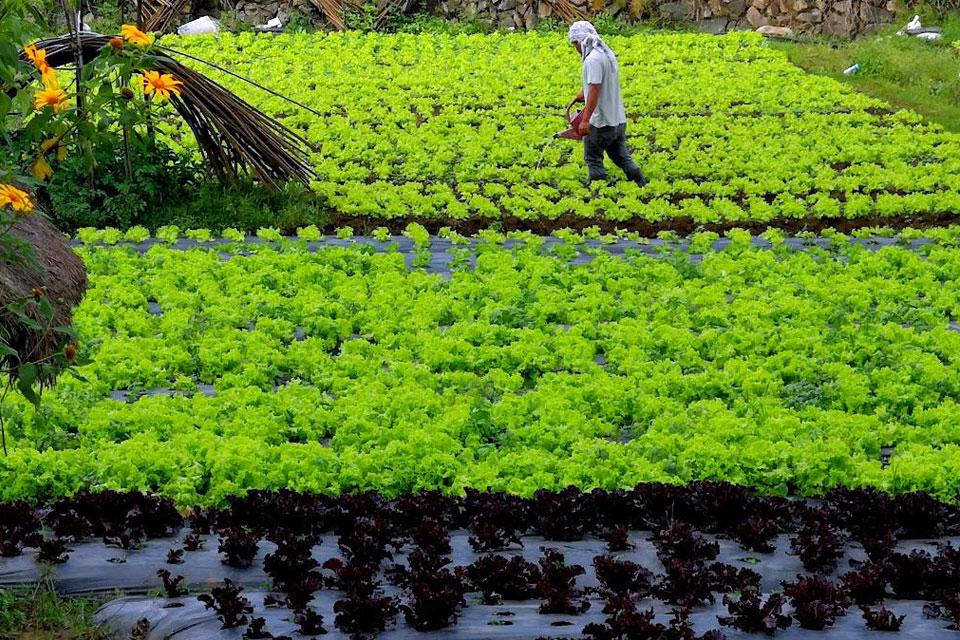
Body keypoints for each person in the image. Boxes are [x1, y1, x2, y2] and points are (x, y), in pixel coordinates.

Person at [567, 21, 647, 187]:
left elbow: (595, 89)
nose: (575, 48)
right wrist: (585, 92)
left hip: (600, 122)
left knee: (593, 158)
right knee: (621, 157)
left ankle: (598, 190)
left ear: (582, 41)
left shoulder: (592, 60)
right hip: (617, 120)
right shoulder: (606, 55)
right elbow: (600, 85)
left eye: (575, 43)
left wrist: (585, 119)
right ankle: (641, 183)